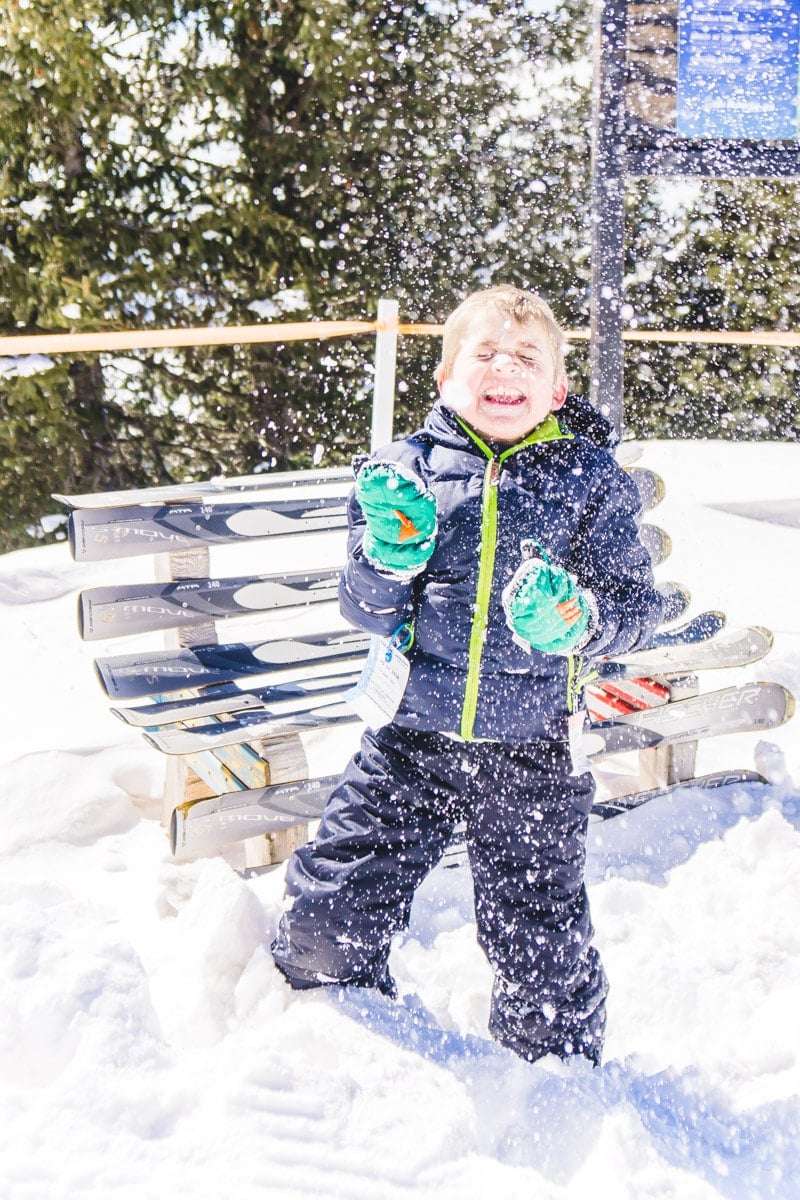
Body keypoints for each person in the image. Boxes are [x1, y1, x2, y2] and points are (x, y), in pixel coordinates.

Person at [271, 284, 674, 1066]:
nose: (504, 367)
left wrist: (582, 620)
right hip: (410, 741)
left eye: (527, 356)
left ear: (556, 388)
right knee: (326, 922)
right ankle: (339, 1050)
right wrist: (388, 558)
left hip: (534, 753)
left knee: (541, 948)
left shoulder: (588, 479)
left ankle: (553, 1083)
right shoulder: (403, 471)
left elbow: (635, 605)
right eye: (483, 352)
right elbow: (365, 606)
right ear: (446, 374)